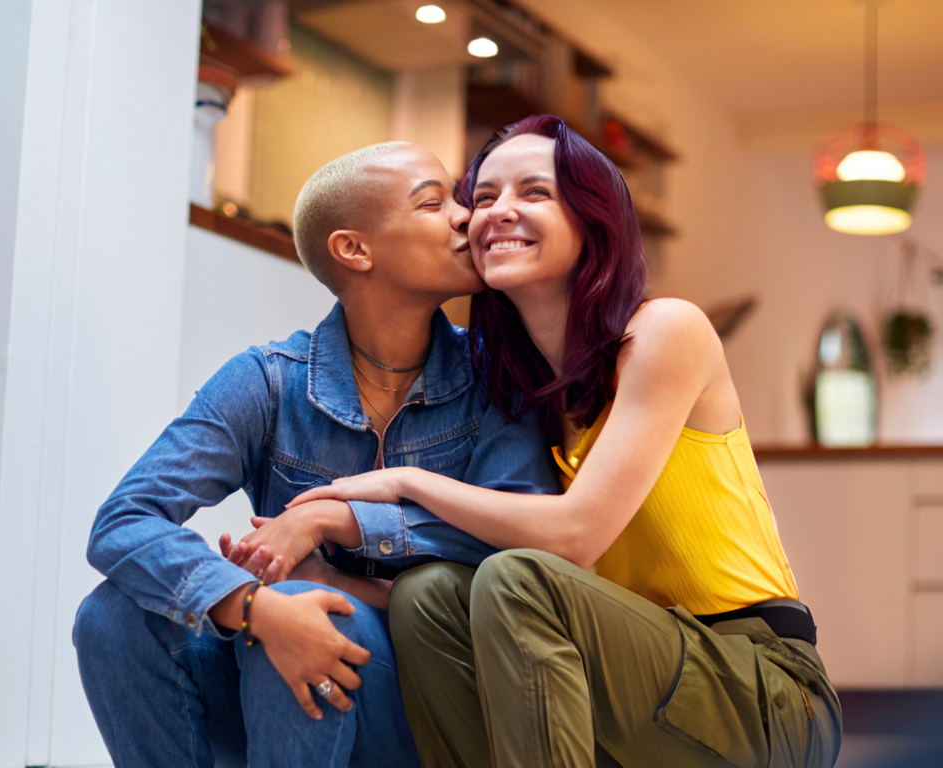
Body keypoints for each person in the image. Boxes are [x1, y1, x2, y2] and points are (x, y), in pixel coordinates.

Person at [269, 116, 843, 768]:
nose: (496, 213)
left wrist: (403, 481)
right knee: (429, 594)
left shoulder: (665, 333)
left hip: (763, 690)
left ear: (592, 220)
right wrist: (318, 576)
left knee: (519, 577)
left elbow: (576, 537)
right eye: (482, 199)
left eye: (534, 192)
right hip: (634, 679)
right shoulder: (525, 397)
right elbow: (517, 594)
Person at [72, 141, 557, 768]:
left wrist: (343, 522)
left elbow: (521, 543)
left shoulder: (499, 377)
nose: (467, 217)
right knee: (111, 615)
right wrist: (250, 605)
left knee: (311, 613)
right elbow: (123, 521)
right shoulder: (270, 380)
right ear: (354, 250)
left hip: (432, 697)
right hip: (283, 690)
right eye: (435, 203)